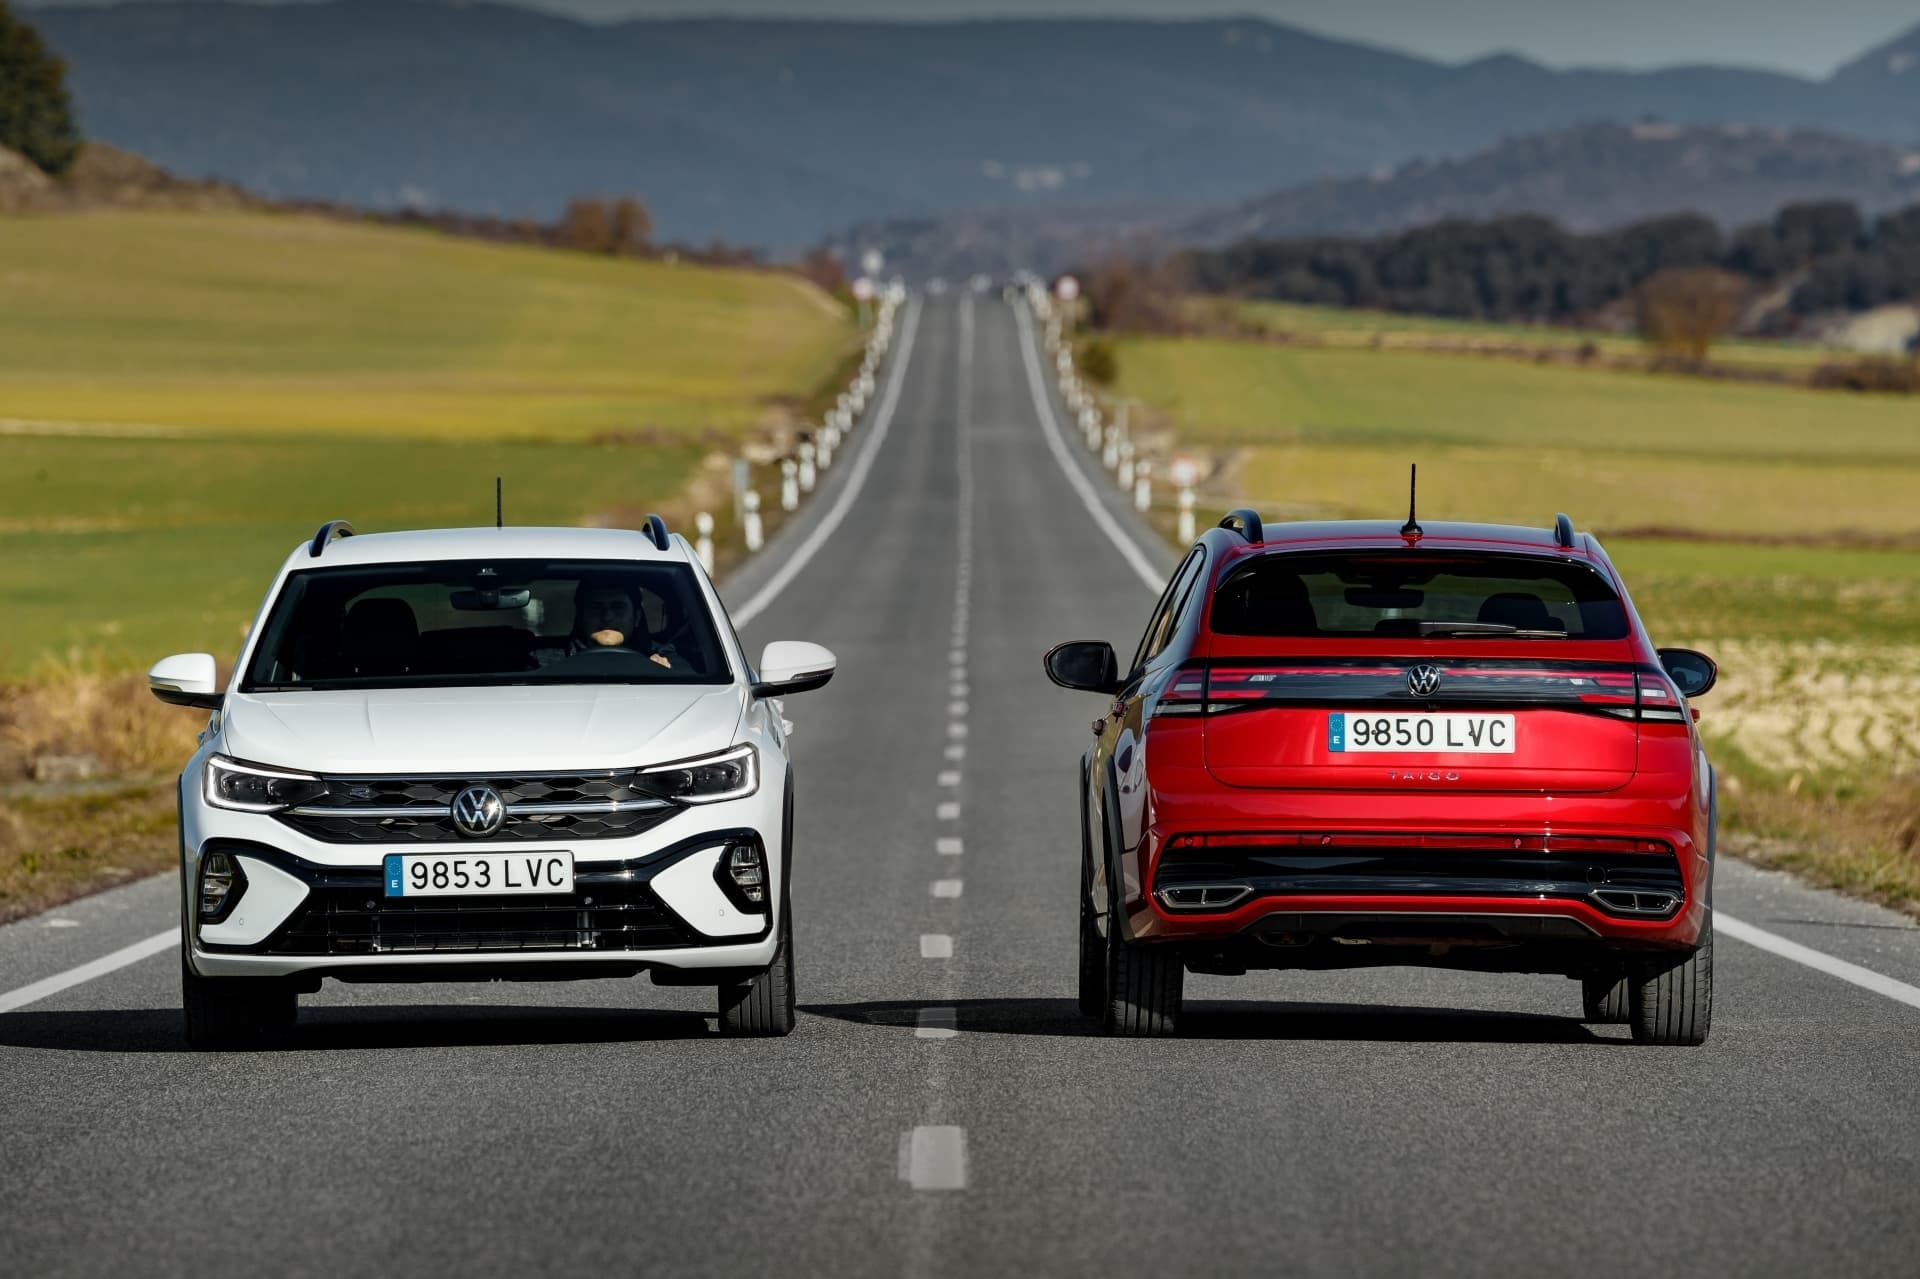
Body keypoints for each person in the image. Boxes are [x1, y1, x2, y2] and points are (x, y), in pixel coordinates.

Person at [533, 578, 683, 670]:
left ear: (637, 617)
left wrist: (660, 674)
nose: (607, 616)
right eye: (596, 607)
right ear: (580, 616)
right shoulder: (539, 664)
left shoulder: (668, 662)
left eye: (618, 607)